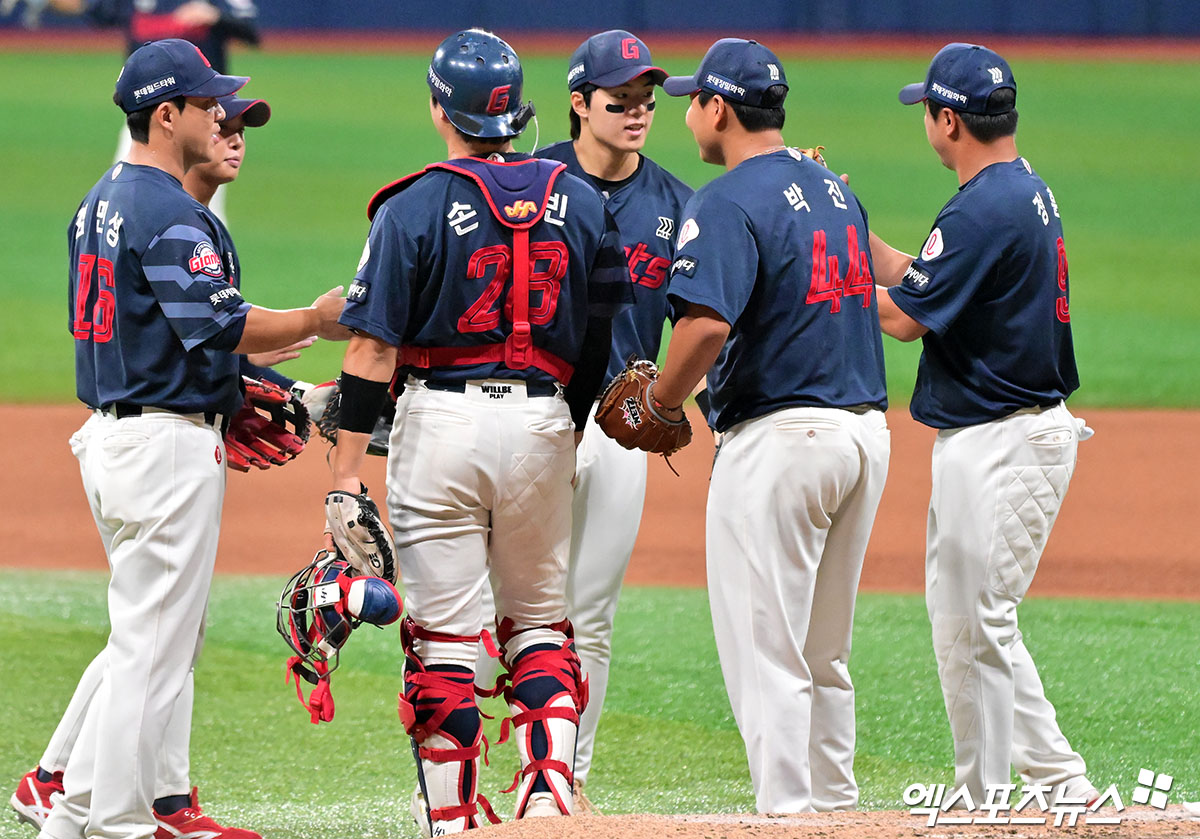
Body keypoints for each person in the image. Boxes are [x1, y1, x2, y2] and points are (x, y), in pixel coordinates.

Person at [33, 39, 347, 839]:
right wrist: (314, 318)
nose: (221, 117)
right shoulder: (169, 210)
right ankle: (123, 823)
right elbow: (221, 321)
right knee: (152, 654)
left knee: (147, 637)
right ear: (166, 115)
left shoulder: (100, 198)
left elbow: (155, 331)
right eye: (209, 106)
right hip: (162, 450)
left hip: (117, 436)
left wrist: (232, 378)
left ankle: (69, 816)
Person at [324, 29, 630, 835]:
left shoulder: (412, 203)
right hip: (544, 421)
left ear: (439, 108)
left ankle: (454, 823)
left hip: (442, 426)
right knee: (538, 620)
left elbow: (370, 347)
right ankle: (549, 804)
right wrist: (565, 418)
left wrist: (347, 472)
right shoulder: (586, 199)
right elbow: (601, 333)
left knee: (444, 639)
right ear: (517, 112)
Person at [650, 38, 891, 813]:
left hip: (782, 444)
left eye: (693, 100)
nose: (687, 113)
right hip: (862, 439)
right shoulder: (832, 187)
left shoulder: (723, 200)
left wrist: (660, 402)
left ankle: (788, 816)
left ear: (717, 108)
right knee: (825, 652)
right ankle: (836, 810)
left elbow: (703, 329)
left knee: (770, 656)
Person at [868, 42, 1096, 808]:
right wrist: (855, 243)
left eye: (926, 111)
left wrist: (824, 272)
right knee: (969, 621)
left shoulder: (981, 206)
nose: (924, 124)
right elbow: (931, 281)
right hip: (1009, 433)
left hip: (1005, 440)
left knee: (980, 621)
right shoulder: (1016, 188)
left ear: (949, 120)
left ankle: (995, 795)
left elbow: (902, 318)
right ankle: (1049, 783)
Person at [535, 29, 693, 814]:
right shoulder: (531, 184)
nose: (636, 113)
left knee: (589, 614)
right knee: (523, 609)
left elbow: (711, 316)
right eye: (618, 100)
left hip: (622, 428)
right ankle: (522, 761)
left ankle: (568, 779)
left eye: (646, 101)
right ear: (578, 102)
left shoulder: (676, 204)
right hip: (534, 421)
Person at [14, 0, 260, 219]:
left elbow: (252, 32)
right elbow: (91, 8)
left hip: (201, 120)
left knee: (202, 209)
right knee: (121, 203)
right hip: (141, 120)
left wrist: (215, 15)